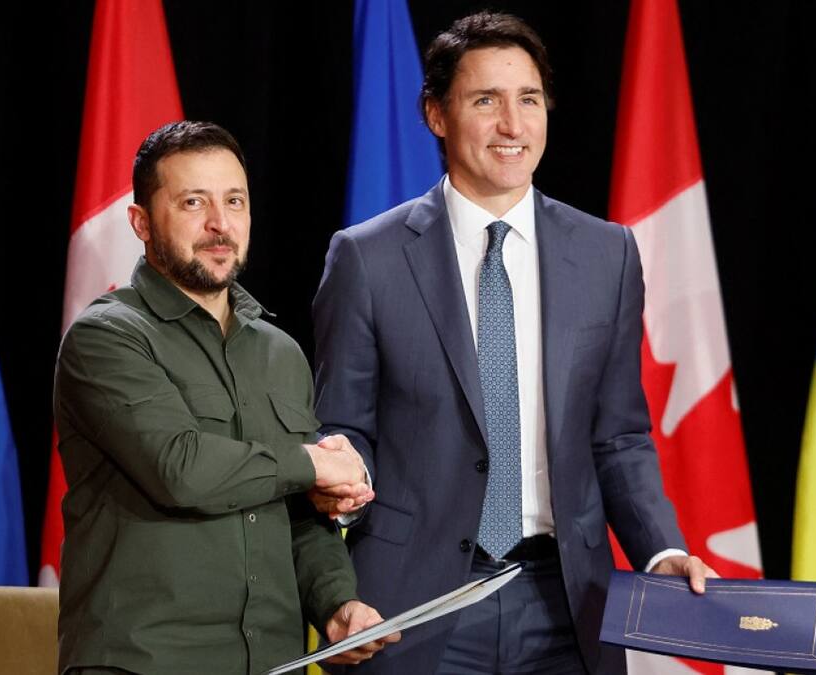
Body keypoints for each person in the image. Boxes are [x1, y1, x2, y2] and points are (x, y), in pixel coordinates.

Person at [312, 12, 715, 674]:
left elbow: (619, 435)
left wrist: (660, 550)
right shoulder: (367, 258)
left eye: (529, 100)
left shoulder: (607, 253)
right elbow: (342, 431)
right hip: (415, 604)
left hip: (567, 600)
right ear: (436, 115)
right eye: (485, 101)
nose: (513, 125)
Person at [54, 120, 397, 675]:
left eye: (234, 201)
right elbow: (181, 467)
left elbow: (299, 512)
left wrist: (336, 603)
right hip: (144, 661)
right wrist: (313, 463)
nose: (220, 224)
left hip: (272, 661)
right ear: (140, 222)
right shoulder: (107, 337)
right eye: (193, 202)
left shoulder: (280, 352)